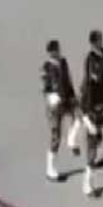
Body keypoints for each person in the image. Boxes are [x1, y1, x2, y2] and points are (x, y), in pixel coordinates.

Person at [80, 30, 103, 195]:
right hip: (93, 108)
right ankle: (87, 183)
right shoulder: (89, 84)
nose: (97, 72)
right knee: (92, 143)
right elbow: (85, 100)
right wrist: (87, 118)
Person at [41, 40, 80, 181]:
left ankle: (71, 139)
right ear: (50, 53)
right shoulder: (47, 67)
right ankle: (50, 168)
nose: (57, 53)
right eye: (54, 52)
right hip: (55, 106)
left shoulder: (63, 62)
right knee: (56, 136)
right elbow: (46, 88)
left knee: (78, 117)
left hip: (66, 100)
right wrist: (52, 96)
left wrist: (73, 96)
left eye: (57, 50)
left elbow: (68, 81)